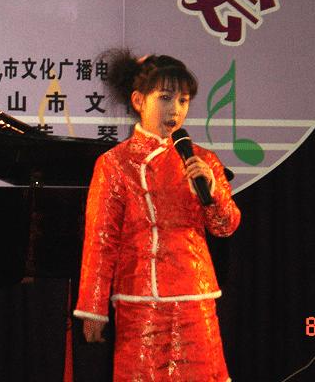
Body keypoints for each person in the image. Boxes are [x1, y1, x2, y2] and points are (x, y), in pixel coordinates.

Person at [73, 49, 241, 382]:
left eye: (183, 100)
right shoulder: (115, 163)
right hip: (140, 301)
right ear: (139, 100)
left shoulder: (203, 160)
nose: (175, 109)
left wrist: (211, 191)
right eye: (165, 98)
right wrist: (93, 308)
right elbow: (101, 240)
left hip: (195, 296)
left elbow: (226, 227)